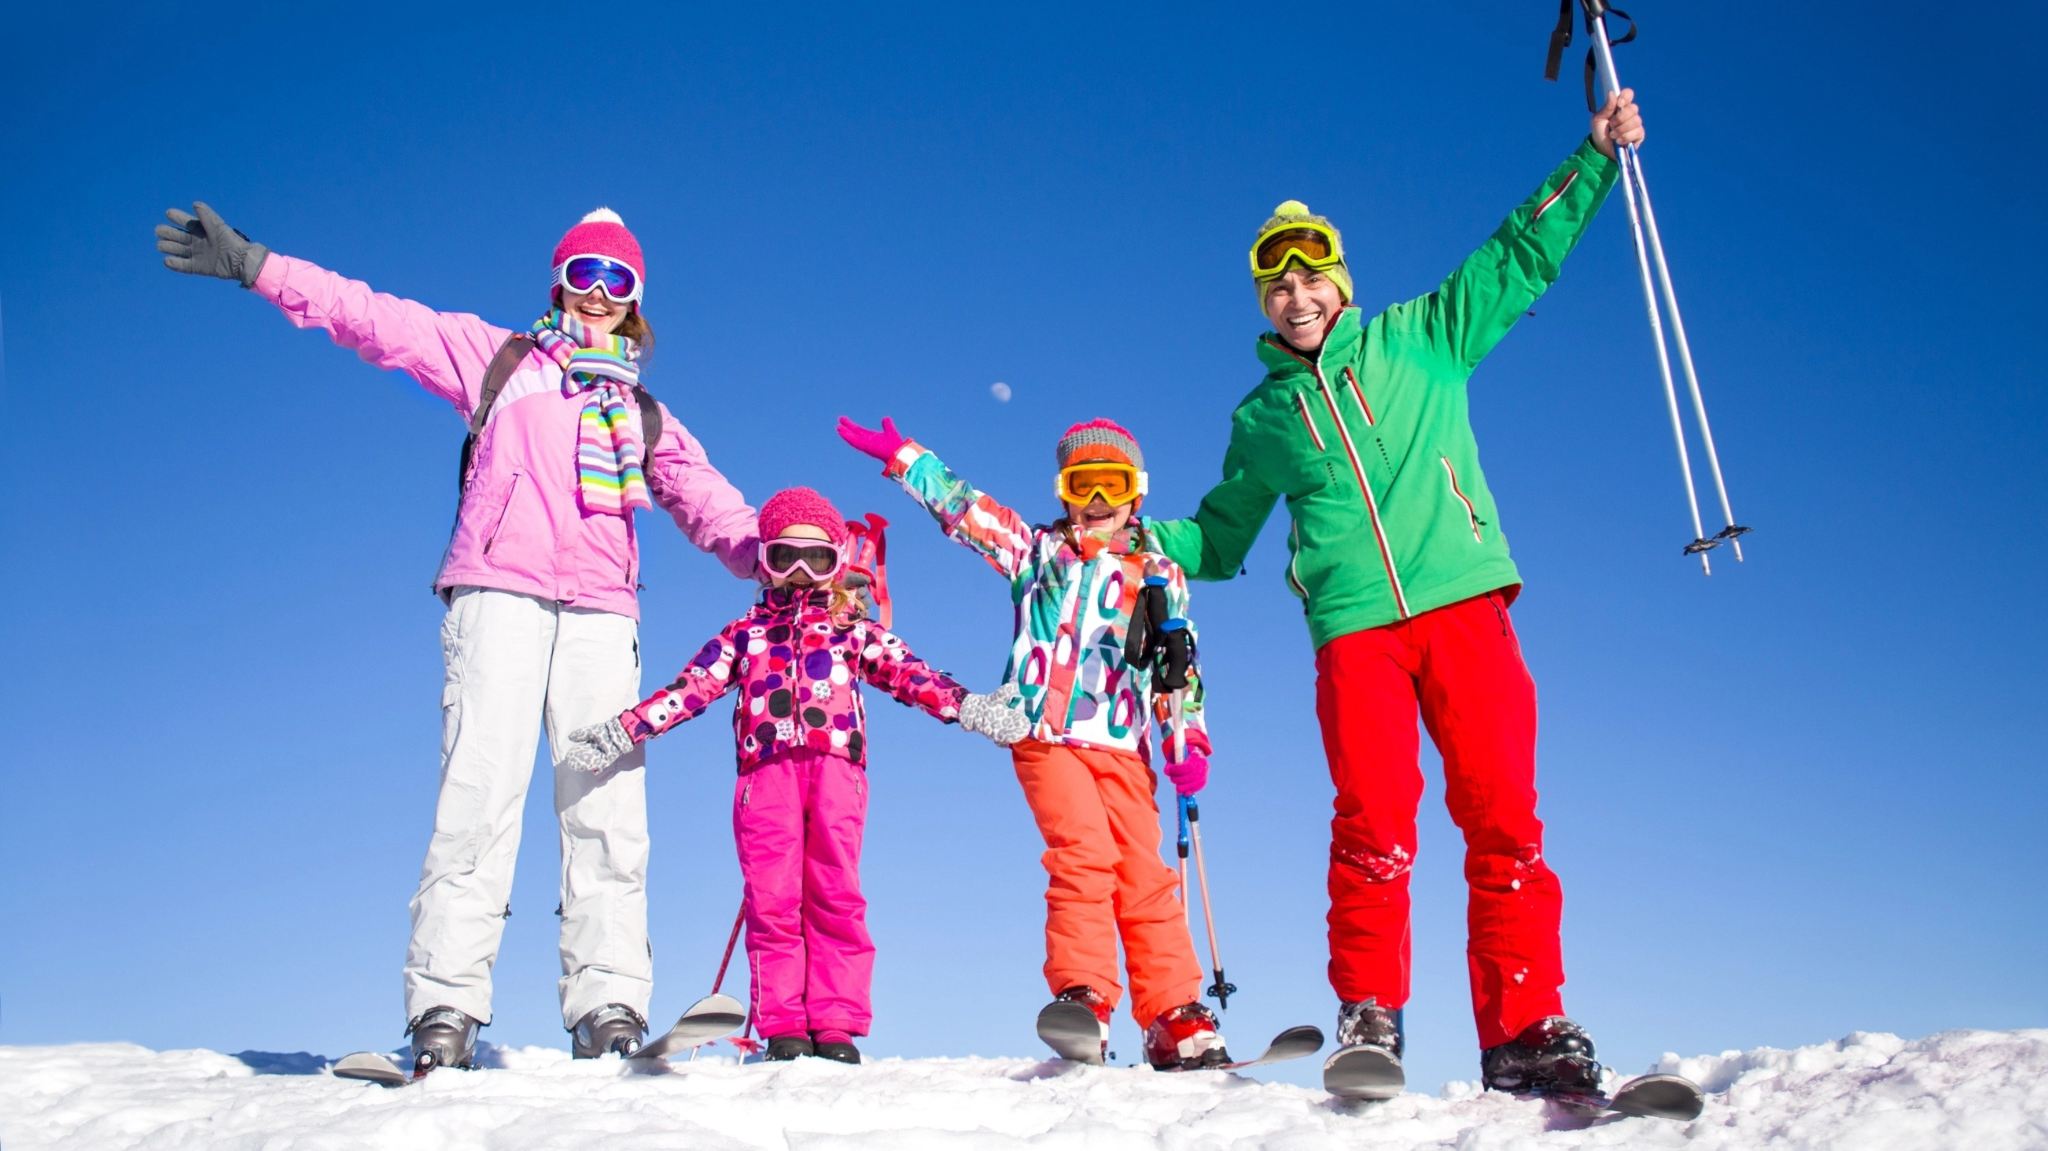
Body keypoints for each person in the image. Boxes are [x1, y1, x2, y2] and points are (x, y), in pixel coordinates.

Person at [155, 203, 761, 1070]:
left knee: (607, 813)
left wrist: (795, 556)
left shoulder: (645, 415)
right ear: (558, 281)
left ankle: (610, 1006)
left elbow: (719, 512)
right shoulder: (497, 358)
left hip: (602, 614)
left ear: (635, 301)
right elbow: (372, 317)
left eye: (615, 280)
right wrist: (259, 266)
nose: (595, 293)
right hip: (498, 596)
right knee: (478, 799)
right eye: (582, 274)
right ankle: (445, 1005)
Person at [1144, 90, 1648, 1092]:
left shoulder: (1422, 337)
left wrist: (1591, 156)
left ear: (1338, 279)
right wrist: (1130, 535)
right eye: (1274, 282)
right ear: (1261, 302)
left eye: (1309, 272)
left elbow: (1518, 255)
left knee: (1502, 812)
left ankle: (1525, 1024)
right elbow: (1219, 535)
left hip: (1463, 604)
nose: (1295, 294)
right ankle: (1368, 1015)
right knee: (1373, 820)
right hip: (1355, 632)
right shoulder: (1263, 420)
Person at [558, 486, 1029, 1063]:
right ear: (765, 563)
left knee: (835, 893)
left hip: (836, 772)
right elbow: (689, 690)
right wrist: (625, 729)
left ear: (838, 562)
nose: (801, 573)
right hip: (766, 776)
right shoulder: (745, 635)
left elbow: (914, 676)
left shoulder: (852, 632)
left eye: (818, 559)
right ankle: (783, 1022)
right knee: (773, 898)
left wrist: (973, 709)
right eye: (785, 557)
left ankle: (834, 1022)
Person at [836, 416, 1229, 1070]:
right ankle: (1086, 995)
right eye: (1083, 484)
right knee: (1083, 852)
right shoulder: (1035, 552)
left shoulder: (1159, 575)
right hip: (1045, 732)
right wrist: (907, 458)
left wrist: (1186, 741)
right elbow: (969, 510)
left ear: (1138, 493)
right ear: (1064, 492)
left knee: (1145, 874)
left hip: (1125, 745)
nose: (1098, 501)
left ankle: (1172, 1012)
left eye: (1113, 483)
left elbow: (1178, 666)